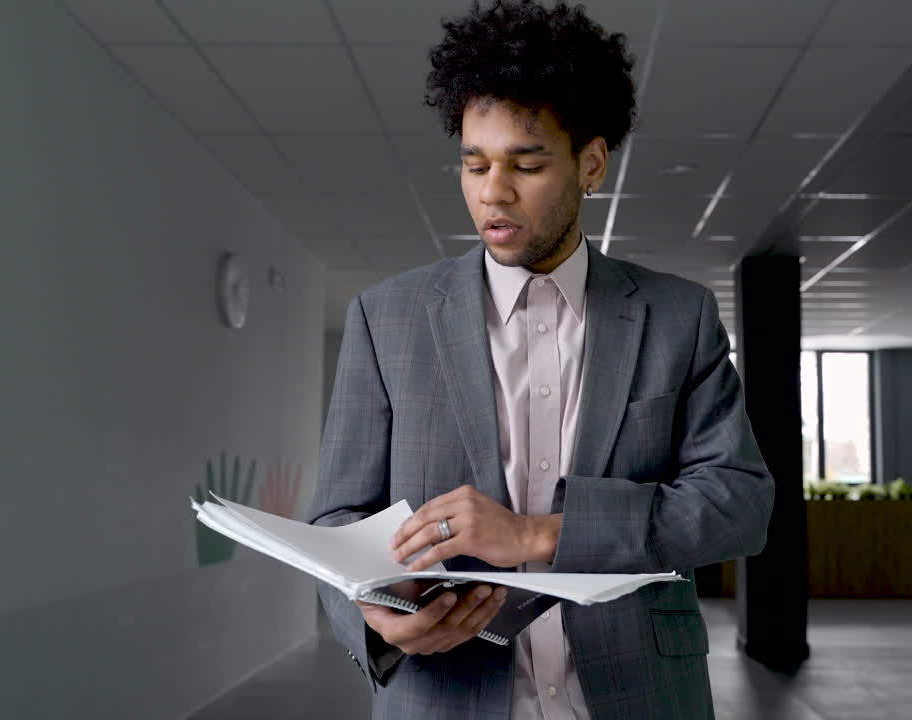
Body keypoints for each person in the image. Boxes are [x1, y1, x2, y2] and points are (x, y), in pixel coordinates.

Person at [310, 1, 775, 718]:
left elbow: (739, 505)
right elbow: (337, 523)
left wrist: (537, 534)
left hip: (639, 696)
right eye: (474, 164)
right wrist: (376, 620)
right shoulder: (388, 318)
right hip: (446, 697)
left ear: (591, 163)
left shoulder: (678, 317)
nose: (492, 191)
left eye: (525, 164)